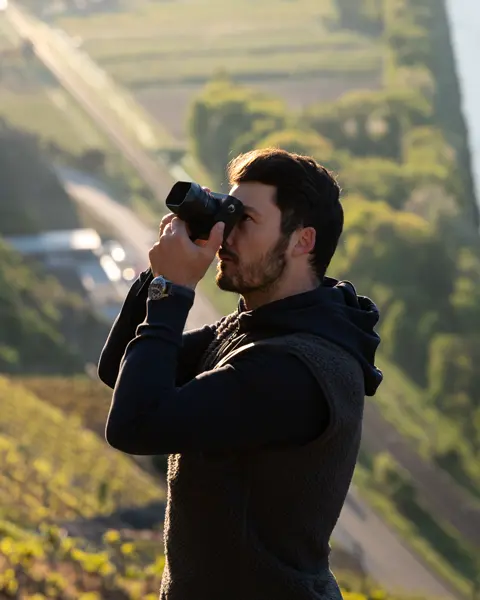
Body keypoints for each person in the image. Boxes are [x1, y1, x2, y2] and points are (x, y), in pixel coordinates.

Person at [98, 148, 383, 600]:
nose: (224, 235)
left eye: (244, 219)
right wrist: (159, 273)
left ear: (302, 241)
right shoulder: (252, 330)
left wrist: (174, 290)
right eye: (224, 214)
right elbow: (121, 371)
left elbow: (135, 425)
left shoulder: (295, 369)